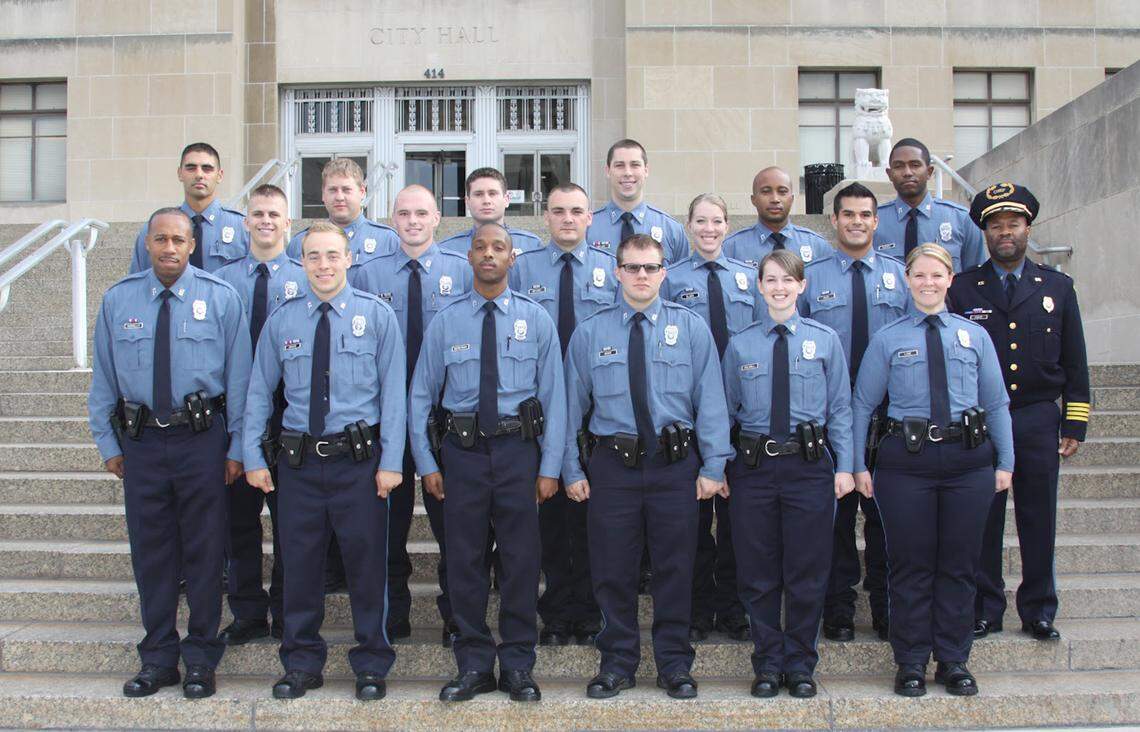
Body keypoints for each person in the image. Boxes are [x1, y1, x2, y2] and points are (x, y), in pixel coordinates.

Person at [89, 207, 251, 699]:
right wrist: (108, 443)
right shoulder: (118, 300)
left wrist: (237, 447)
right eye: (160, 239)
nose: (169, 248)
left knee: (205, 551)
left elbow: (240, 382)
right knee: (152, 554)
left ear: (192, 245)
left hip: (201, 442)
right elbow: (104, 380)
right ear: (147, 243)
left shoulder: (220, 298)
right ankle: (158, 657)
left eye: (178, 240)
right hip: (141, 443)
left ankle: (200, 658)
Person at [564, 234, 732, 700]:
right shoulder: (591, 332)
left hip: (674, 467)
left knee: (676, 568)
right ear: (617, 272)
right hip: (612, 468)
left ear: (664, 272)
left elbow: (710, 400)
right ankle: (617, 663)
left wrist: (714, 465)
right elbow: (570, 407)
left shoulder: (690, 328)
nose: (642, 275)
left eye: (651, 267)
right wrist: (571, 469)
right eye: (633, 267)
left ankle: (674, 664)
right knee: (612, 569)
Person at [242, 222, 406, 701]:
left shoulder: (376, 316)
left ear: (348, 259)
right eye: (313, 256)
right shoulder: (283, 320)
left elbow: (394, 394)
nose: (323, 265)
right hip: (299, 465)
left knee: (367, 567)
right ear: (302, 262)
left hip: (359, 463)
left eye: (333, 255)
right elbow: (259, 391)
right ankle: (300, 663)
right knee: (299, 566)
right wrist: (251, 454)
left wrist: (391, 461)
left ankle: (371, 663)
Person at [408, 222, 567, 703]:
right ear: (470, 257)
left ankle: (518, 663)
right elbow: (420, 396)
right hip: (463, 454)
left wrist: (550, 467)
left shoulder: (536, 319)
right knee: (464, 561)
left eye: (499, 247)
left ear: (512, 257)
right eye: (480, 247)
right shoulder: (446, 321)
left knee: (521, 561)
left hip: (519, 453)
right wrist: (427, 463)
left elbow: (555, 397)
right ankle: (474, 662)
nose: (489, 254)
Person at [852, 243, 1014, 698]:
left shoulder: (974, 336)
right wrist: (857, 464)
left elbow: (996, 402)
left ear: (950, 279)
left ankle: (954, 660)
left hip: (968, 461)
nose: (928, 283)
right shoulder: (888, 338)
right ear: (907, 281)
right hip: (907, 465)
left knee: (959, 565)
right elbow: (862, 404)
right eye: (919, 275)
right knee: (911, 566)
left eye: (936, 275)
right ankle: (910, 661)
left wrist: (1006, 461)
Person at [948, 183, 1090, 642]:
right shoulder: (963, 288)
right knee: (983, 519)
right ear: (985, 233)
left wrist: (1075, 421)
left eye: (1013, 224)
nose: (1004, 232)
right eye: (996, 226)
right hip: (982, 422)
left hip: (1036, 418)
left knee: (1038, 517)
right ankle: (985, 608)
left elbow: (1075, 360)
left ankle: (1039, 609)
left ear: (1028, 229)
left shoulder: (1057, 287)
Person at [722, 249, 854, 699]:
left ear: (802, 286)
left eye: (788, 280)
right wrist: (719, 463)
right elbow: (724, 410)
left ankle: (799, 664)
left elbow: (840, 408)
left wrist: (846, 465)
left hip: (808, 467)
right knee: (757, 571)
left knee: (807, 570)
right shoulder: (741, 344)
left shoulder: (825, 340)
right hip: (754, 468)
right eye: (771, 280)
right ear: (759, 287)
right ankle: (767, 662)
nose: (779, 287)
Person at [354, 185, 473, 646]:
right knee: (388, 524)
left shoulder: (461, 271)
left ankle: (456, 615)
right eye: (404, 213)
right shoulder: (369, 274)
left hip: (446, 416)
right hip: (388, 415)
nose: (413, 221)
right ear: (392, 219)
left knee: (454, 527)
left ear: (437, 217)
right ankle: (393, 614)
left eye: (422, 212)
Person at [509, 183, 618, 647]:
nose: (567, 218)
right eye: (558, 211)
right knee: (550, 519)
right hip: (540, 406)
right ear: (546, 217)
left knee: (593, 519)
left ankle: (590, 612)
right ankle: (555, 613)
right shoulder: (524, 268)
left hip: (597, 408)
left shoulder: (611, 270)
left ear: (590, 217)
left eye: (576, 210)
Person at [800, 182, 910, 643]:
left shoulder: (901, 276)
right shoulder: (812, 277)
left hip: (888, 418)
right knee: (837, 521)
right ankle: (839, 608)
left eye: (865, 214)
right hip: (830, 416)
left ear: (876, 221)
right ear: (834, 220)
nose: (857, 222)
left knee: (886, 518)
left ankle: (886, 607)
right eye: (848, 214)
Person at [661, 193, 759, 642]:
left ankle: (735, 608)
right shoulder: (671, 278)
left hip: (740, 413)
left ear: (727, 225)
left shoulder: (748, 279)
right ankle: (699, 609)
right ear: (688, 226)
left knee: (738, 522)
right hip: (690, 413)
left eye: (716, 221)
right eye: (700, 221)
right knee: (694, 524)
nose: (709, 229)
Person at [213, 184, 307, 645]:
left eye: (274, 214)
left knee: (291, 523)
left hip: (290, 417)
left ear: (288, 223)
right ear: (245, 222)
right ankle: (247, 612)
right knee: (239, 523)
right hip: (235, 417)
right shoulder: (221, 282)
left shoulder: (307, 277)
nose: (266, 221)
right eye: (258, 213)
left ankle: (288, 611)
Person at [129, 142, 248, 274]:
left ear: (219, 175)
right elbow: (138, 280)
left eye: (207, 168)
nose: (199, 175)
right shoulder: (154, 228)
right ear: (180, 173)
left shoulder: (243, 228)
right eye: (191, 168)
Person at [873, 138, 987, 272]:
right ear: (889, 174)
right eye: (899, 166)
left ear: (929, 172)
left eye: (915, 165)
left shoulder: (962, 219)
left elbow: (975, 277)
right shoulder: (874, 222)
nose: (907, 172)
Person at [286, 157, 399, 278]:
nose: (339, 197)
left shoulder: (387, 240)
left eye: (346, 190)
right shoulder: (300, 242)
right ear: (323, 194)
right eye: (333, 190)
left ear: (362, 192)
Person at [585, 139, 688, 263]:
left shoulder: (671, 230)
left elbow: (683, 274)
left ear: (646, 170)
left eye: (635, 165)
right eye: (619, 165)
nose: (627, 173)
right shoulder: (588, 228)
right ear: (608, 171)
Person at [722, 166, 832, 269]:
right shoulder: (732, 248)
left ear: (792, 199)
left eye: (782, 192)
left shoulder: (817, 246)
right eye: (766, 192)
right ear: (753, 199)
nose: (775, 199)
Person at [438, 168, 543, 255]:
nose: (486, 201)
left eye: (492, 193)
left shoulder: (531, 245)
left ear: (506, 199)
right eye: (478, 194)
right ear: (467, 202)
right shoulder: (447, 250)